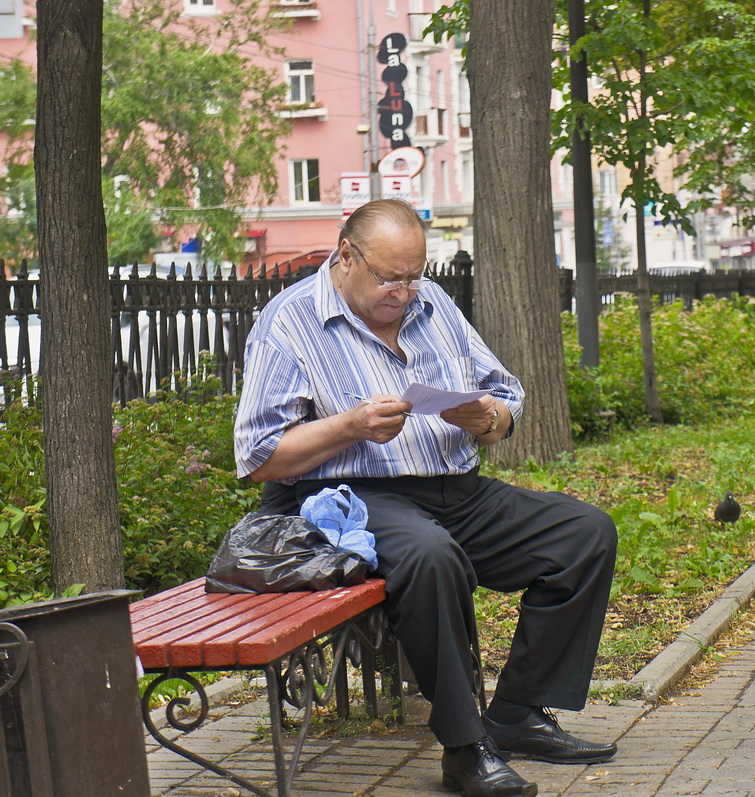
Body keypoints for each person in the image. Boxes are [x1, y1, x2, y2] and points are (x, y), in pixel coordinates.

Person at [234, 199, 618, 797]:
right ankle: (466, 749)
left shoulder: (433, 305)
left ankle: (518, 712)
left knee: (583, 534)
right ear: (346, 256)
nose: (406, 291)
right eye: (391, 277)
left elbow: (502, 398)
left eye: (415, 275)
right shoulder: (289, 321)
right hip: (348, 499)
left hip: (452, 487)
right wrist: (349, 426)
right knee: (430, 555)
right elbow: (259, 457)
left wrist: (488, 417)